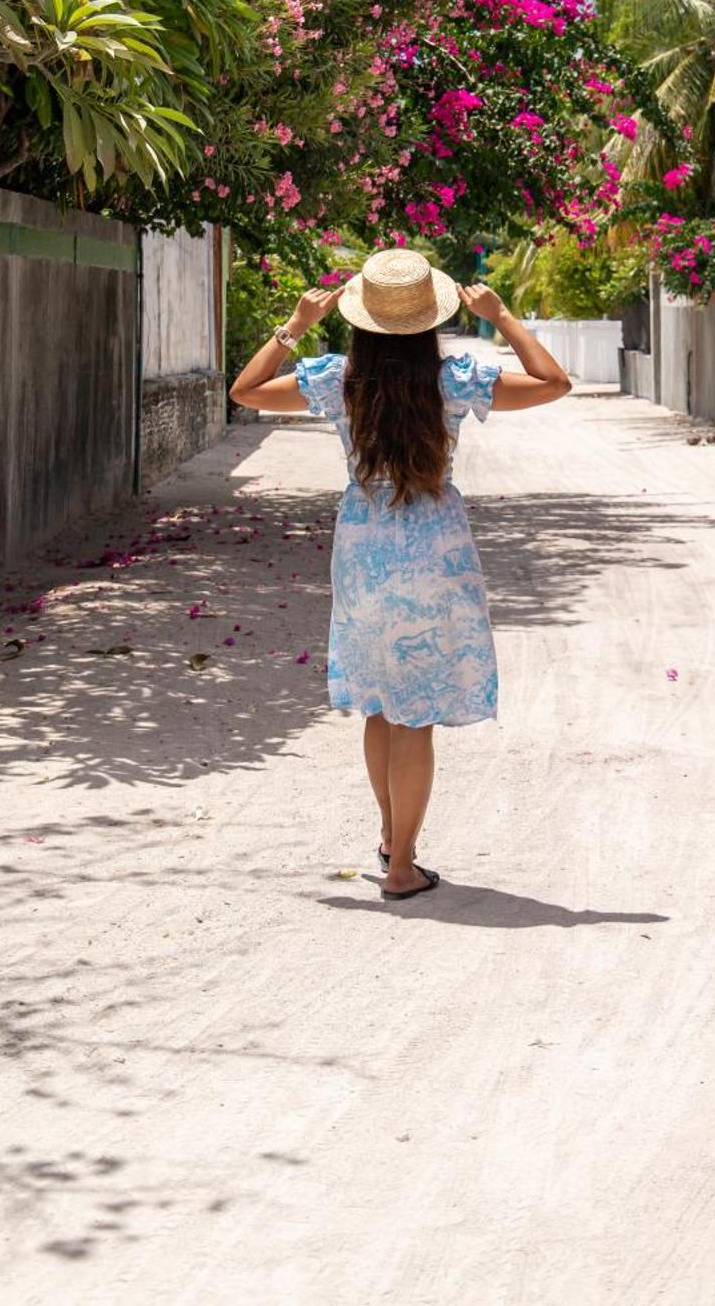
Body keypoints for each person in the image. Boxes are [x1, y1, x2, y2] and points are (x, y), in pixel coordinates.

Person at [228, 248, 570, 901]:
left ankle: (391, 841)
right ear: (428, 319)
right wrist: (502, 317)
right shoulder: (456, 378)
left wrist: (293, 325)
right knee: (413, 715)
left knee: (382, 707)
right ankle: (401, 866)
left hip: (362, 546)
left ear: (362, 320)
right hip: (433, 546)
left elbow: (244, 390)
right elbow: (552, 382)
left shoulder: (337, 380)